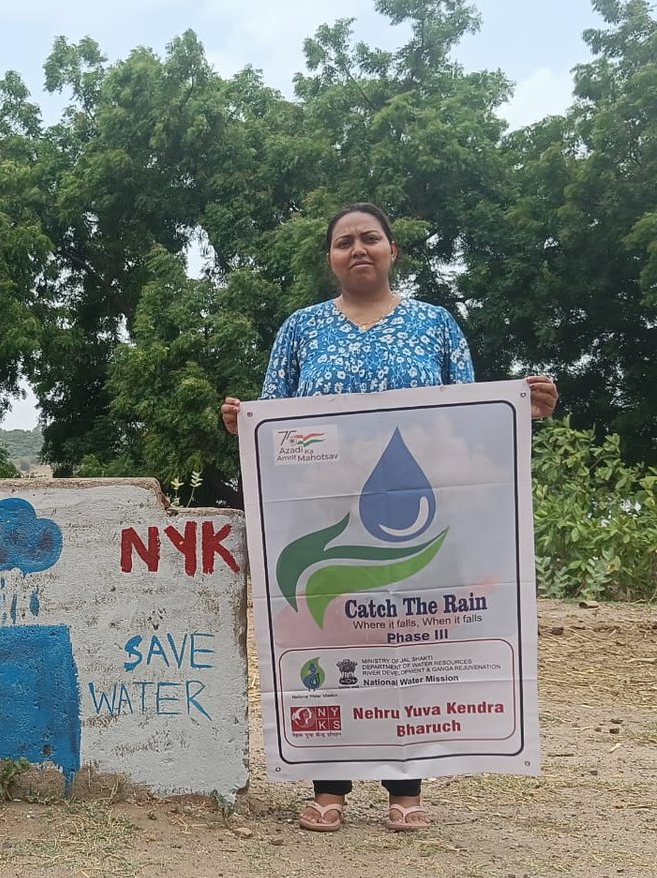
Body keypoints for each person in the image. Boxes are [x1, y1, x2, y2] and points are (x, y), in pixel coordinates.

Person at [220, 202, 557, 833]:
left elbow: (469, 415)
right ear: (330, 257)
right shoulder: (300, 329)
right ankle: (329, 787)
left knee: (410, 636)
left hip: (416, 520)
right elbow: (276, 425)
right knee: (332, 635)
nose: (358, 249)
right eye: (344, 241)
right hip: (324, 517)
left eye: (369, 238)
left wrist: (523, 409)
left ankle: (407, 786)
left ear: (392, 250)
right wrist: (246, 423)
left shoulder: (435, 324)